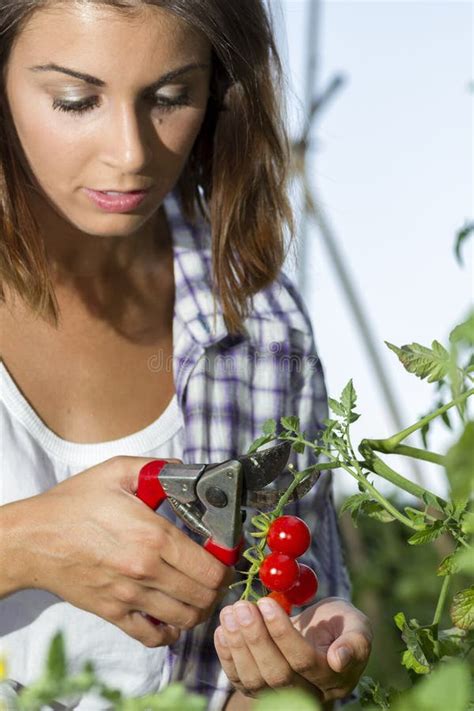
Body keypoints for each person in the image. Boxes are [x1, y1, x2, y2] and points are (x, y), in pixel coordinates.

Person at [0, 1, 372, 709]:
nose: (132, 152)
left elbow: (277, 626)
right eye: (75, 100)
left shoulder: (262, 328)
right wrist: (22, 543)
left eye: (171, 97)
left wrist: (292, 680)